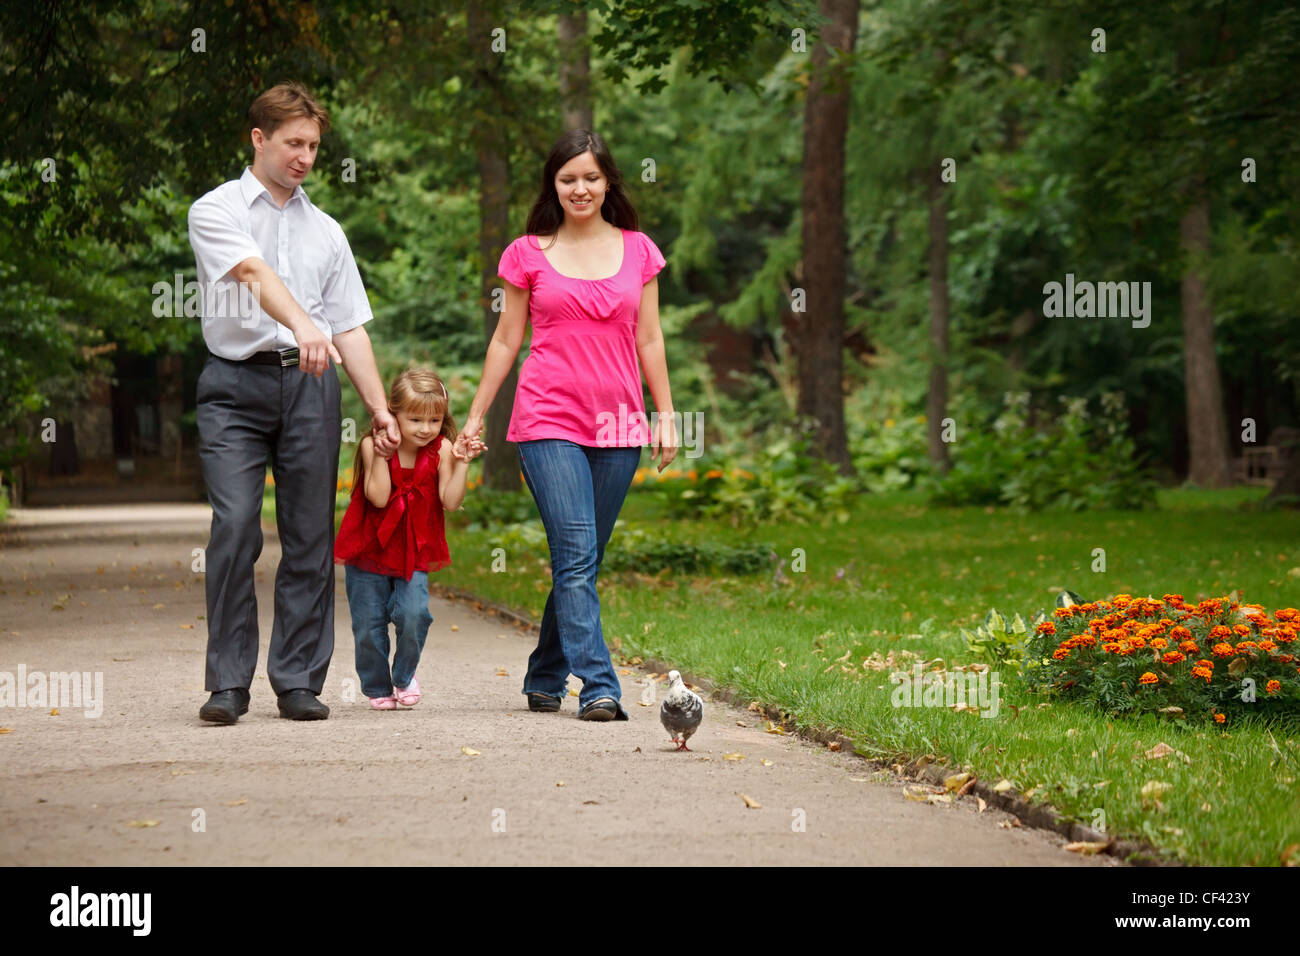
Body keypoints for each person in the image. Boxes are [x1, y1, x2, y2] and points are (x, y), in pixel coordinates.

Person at [188, 82, 400, 724]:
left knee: (308, 536)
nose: (305, 156)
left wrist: (379, 407)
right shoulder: (216, 210)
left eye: (313, 145)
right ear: (259, 139)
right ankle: (227, 682)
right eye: (293, 143)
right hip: (233, 385)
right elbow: (252, 274)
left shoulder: (327, 231)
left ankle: (298, 681)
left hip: (310, 389)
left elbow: (349, 327)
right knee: (235, 527)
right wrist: (303, 325)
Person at [461, 129, 678, 722]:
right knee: (577, 554)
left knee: (583, 556)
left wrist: (666, 414)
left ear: (608, 182)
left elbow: (650, 337)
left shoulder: (639, 250)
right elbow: (507, 338)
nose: (579, 188)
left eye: (590, 177)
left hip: (618, 423)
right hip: (548, 416)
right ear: (552, 186)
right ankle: (600, 683)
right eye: (567, 179)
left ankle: (545, 673)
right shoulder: (526, 253)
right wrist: (476, 415)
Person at [334, 369, 483, 709]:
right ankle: (376, 687)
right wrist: (383, 459)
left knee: (414, 614)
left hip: (414, 548)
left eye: (434, 420)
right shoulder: (373, 445)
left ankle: (403, 676)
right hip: (368, 549)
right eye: (415, 419)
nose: (425, 428)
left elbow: (451, 501)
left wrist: (461, 463)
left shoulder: (443, 448)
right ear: (393, 413)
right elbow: (379, 498)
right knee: (368, 625)